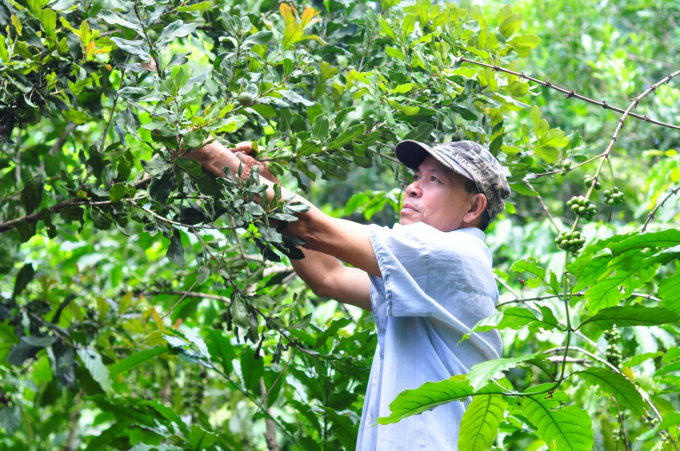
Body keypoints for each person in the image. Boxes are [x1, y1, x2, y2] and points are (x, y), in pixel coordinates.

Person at [185, 139, 511, 450]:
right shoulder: (434, 272)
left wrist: (208, 151)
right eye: (415, 177)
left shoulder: (445, 253)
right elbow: (329, 276)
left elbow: (312, 228)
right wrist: (264, 183)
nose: (412, 188)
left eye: (435, 180)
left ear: (473, 207)